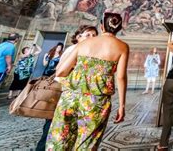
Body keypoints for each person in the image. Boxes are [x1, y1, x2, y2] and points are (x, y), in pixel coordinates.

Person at [46, 13, 129, 150]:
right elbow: (120, 77)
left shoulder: (84, 43)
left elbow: (61, 72)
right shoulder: (122, 46)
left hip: (70, 96)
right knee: (88, 142)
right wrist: (122, 106)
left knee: (59, 137)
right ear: (119, 27)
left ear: (102, 26)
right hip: (96, 101)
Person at [36, 25, 99, 151]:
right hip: (62, 92)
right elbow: (60, 71)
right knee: (53, 128)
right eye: (88, 35)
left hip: (72, 95)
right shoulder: (75, 49)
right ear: (78, 37)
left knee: (63, 129)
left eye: (94, 35)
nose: (92, 37)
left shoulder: (85, 50)